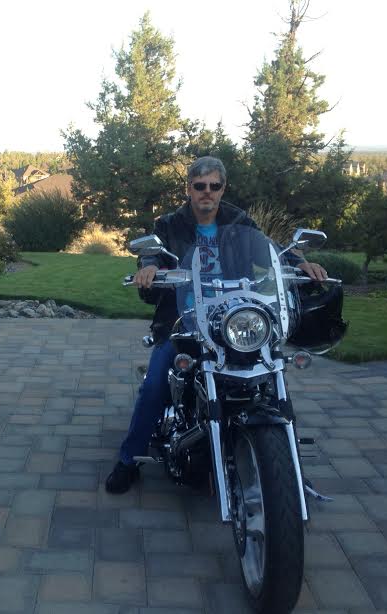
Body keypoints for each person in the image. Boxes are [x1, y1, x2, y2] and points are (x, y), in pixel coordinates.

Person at [105, 156, 328, 494]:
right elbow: (152, 252)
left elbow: (270, 250)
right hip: (184, 318)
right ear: (189, 189)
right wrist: (149, 266)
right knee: (155, 386)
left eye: (214, 186)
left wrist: (299, 262)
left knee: (269, 379)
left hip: (235, 317)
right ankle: (128, 460)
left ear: (223, 189)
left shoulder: (239, 221)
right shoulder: (169, 224)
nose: (207, 192)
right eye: (200, 186)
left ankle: (286, 466)